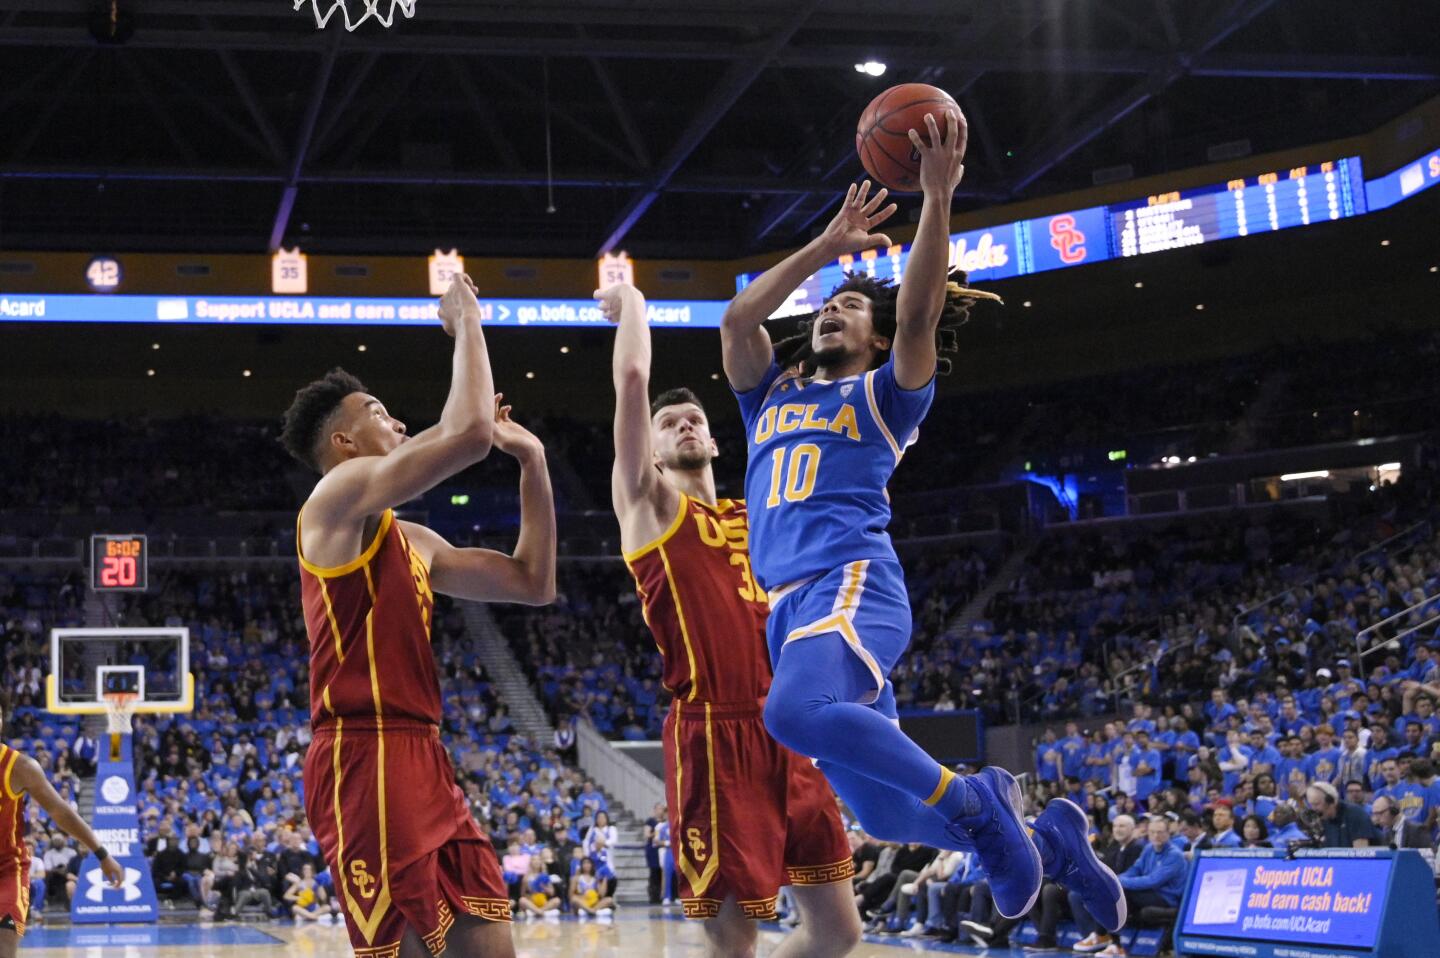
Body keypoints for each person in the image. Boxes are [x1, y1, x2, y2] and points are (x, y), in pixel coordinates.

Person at [718, 108, 1121, 930]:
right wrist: (826, 249)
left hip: (850, 580)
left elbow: (918, 313)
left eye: (849, 309)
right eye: (826, 308)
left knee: (792, 715)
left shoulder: (884, 396)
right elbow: (738, 320)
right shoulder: (771, 398)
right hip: (789, 608)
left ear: (872, 339)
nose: (832, 311)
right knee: (885, 817)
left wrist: (936, 197)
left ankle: (976, 801)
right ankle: (1053, 842)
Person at [281, 274, 557, 958]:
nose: (399, 422)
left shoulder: (418, 543)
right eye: (380, 412)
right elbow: (462, 437)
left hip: (426, 755)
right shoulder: (333, 500)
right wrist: (467, 321)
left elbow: (532, 583)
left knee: (491, 946)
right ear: (343, 442)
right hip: (363, 752)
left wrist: (533, 460)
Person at [603, 281, 862, 956]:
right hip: (713, 735)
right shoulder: (651, 509)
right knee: (733, 942)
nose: (685, 424)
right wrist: (632, 304)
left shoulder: (759, 512)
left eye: (695, 419)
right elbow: (632, 381)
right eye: (669, 424)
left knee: (839, 930)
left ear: (717, 443)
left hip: (788, 723)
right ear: (652, 453)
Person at [0, 711, 123, 956]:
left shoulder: (19, 766)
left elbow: (60, 811)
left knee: (3, 944)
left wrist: (101, 853)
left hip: (7, 871)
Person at [1077, 818, 1187, 956]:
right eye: (1152, 832)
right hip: (1150, 893)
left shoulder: (1174, 855)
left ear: (1168, 834)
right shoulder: (1149, 849)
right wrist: (1115, 880)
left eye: (1160, 832)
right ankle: (1111, 941)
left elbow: (1152, 881)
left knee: (1122, 893)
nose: (1156, 836)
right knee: (1113, 891)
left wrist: (1118, 883)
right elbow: (1135, 869)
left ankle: (1113, 943)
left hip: (1167, 898)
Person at [1305, 782, 1375, 848]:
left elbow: (1361, 854)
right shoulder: (1320, 820)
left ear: (1331, 801)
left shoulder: (1355, 814)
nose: (1313, 809)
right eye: (1311, 805)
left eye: (1316, 804)